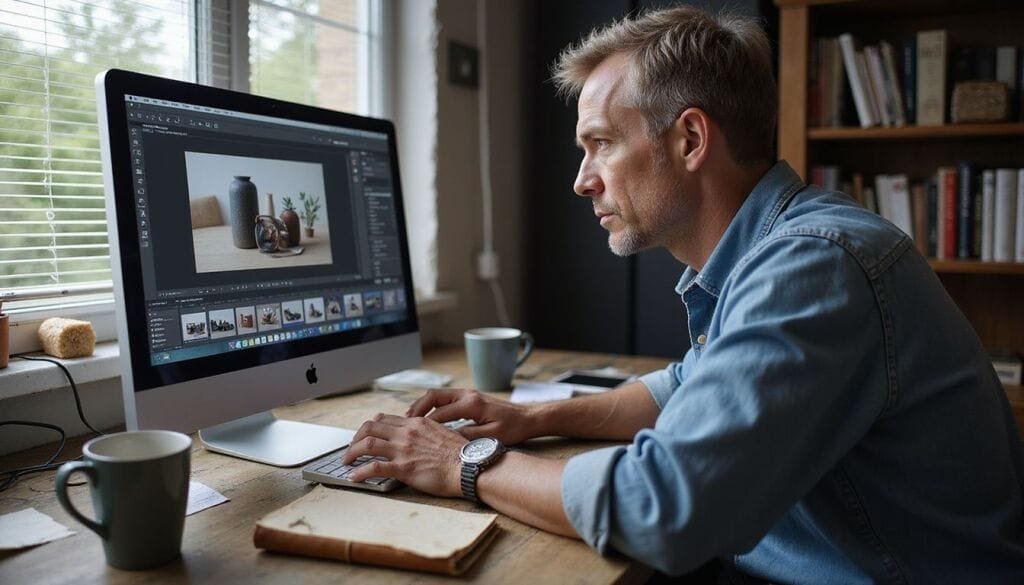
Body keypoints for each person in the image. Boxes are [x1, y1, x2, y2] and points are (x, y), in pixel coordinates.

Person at [341, 6, 1024, 582]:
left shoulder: (813, 267)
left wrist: (460, 460)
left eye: (601, 143)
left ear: (691, 138)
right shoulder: (781, 249)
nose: (582, 180)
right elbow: (678, 387)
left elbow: (664, 509)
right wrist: (529, 418)